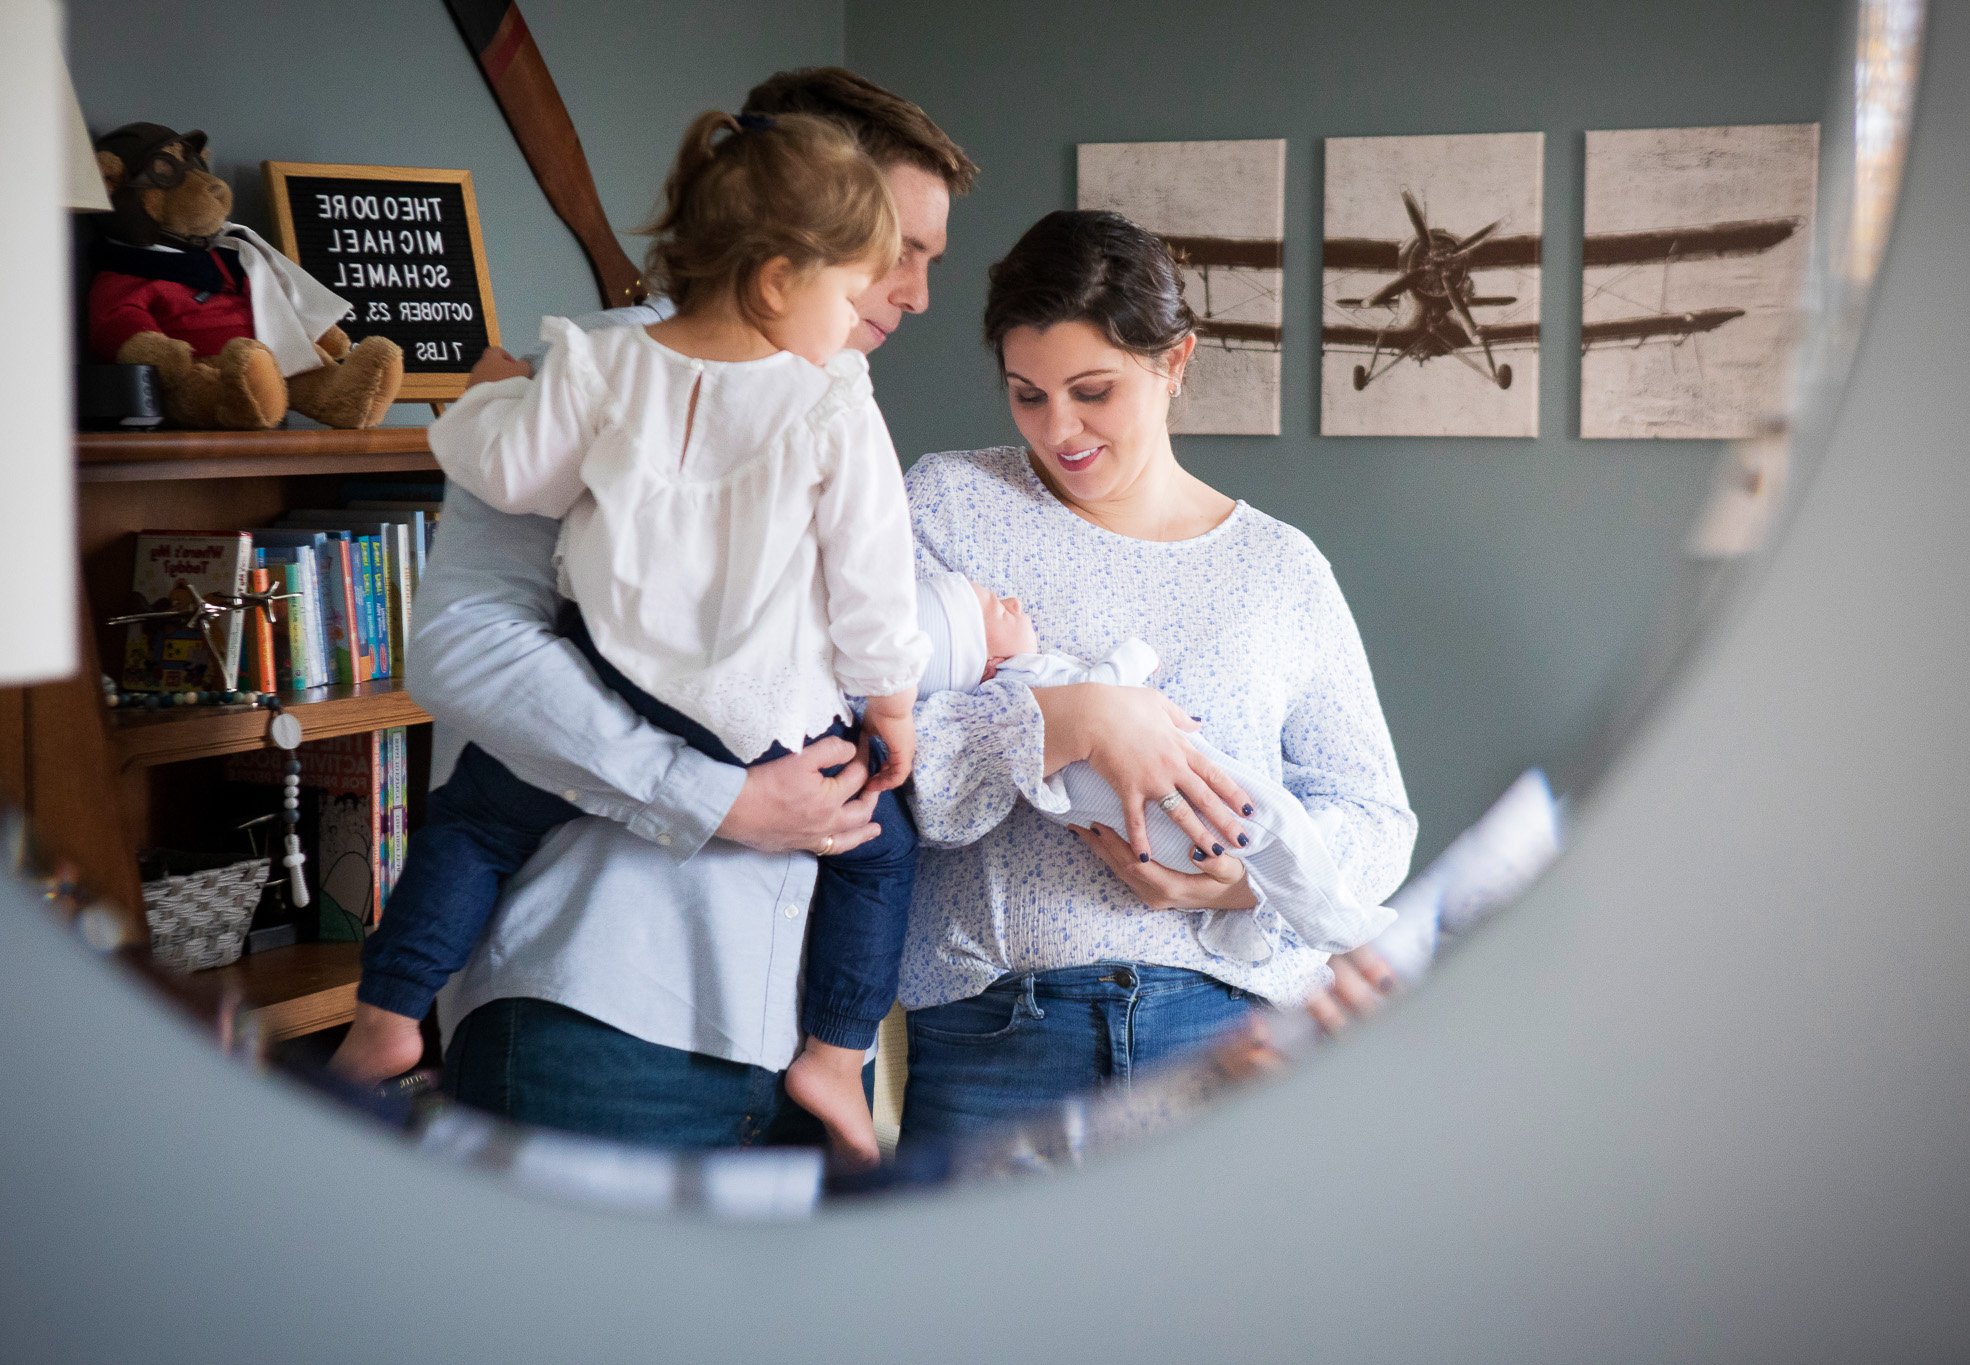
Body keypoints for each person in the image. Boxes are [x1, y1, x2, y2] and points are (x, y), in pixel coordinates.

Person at [396, 68, 976, 1153]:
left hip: (792, 1030)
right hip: (598, 1017)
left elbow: (849, 629)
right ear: (788, 238)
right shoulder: (586, 386)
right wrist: (711, 798)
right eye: (899, 248)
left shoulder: (828, 406)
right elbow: (466, 650)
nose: (914, 291)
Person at [894, 210, 1419, 1145]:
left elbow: (1376, 817)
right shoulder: (947, 505)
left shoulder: (1278, 568)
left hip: (1229, 1030)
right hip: (997, 1029)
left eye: (1093, 391)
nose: (1060, 429)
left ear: (1175, 362)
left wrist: (1247, 884)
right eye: (1026, 394)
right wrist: (1073, 719)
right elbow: (886, 754)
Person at [912, 569, 1397, 963]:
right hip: (1156, 819)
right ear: (989, 659)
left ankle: (1248, 925)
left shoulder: (1285, 564)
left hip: (1141, 840)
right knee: (1277, 822)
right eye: (998, 608)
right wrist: (1134, 660)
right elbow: (1105, 686)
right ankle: (1337, 925)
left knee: (1258, 849)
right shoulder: (1028, 678)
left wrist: (1240, 894)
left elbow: (1379, 814)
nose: (1016, 602)